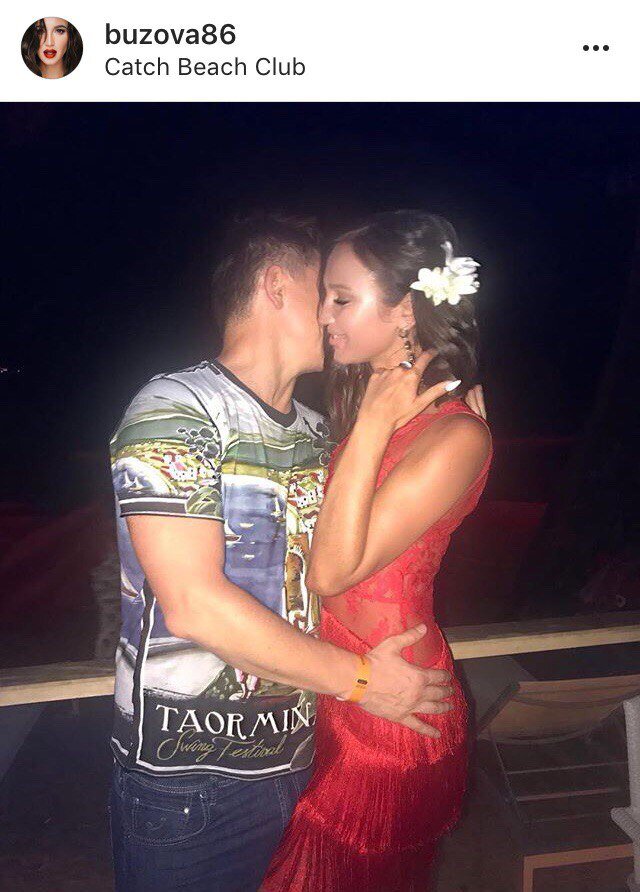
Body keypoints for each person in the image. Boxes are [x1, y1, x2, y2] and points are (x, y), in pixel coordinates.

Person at [107, 213, 462, 892]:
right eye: (323, 291)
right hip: (192, 777)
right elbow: (195, 606)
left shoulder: (319, 433)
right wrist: (365, 680)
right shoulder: (176, 408)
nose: (332, 315)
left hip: (307, 756)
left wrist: (455, 416)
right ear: (275, 286)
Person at [261, 210, 493, 891]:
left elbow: (331, 573)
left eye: (341, 298)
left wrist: (370, 423)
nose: (322, 315)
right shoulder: (393, 417)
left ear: (406, 311)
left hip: (394, 714)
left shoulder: (454, 434)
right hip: (350, 681)